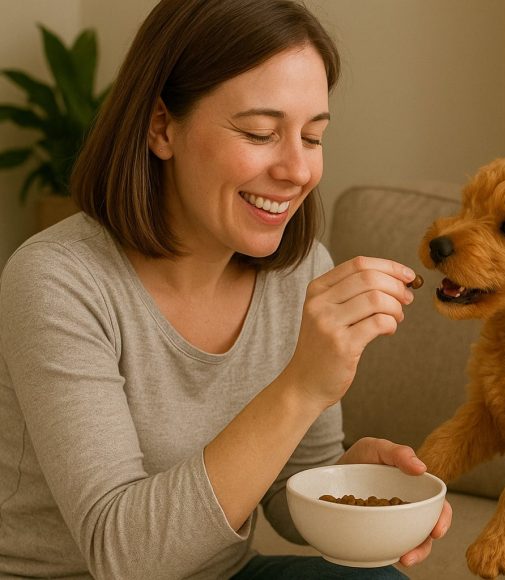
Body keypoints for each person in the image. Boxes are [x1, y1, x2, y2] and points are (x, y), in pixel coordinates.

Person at [0, 0, 451, 578]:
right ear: (161, 126)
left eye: (312, 137)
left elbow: (281, 486)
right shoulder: (57, 280)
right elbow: (122, 555)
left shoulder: (301, 272)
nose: (297, 170)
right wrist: (300, 388)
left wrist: (344, 486)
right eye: (261, 133)